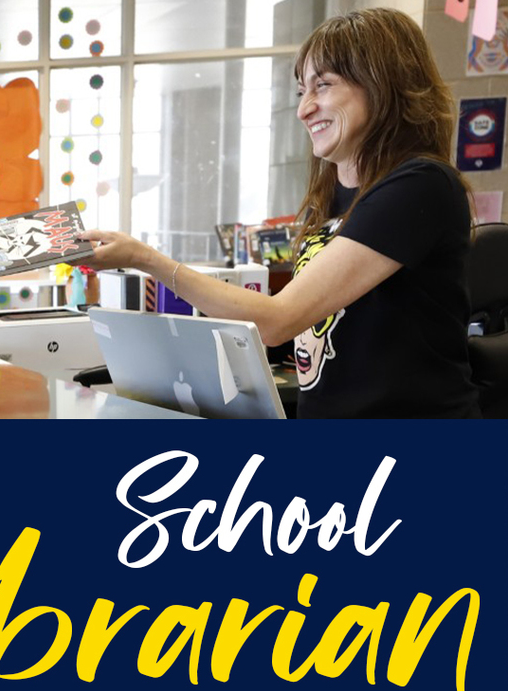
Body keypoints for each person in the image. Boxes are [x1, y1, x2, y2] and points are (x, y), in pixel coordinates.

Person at [81, 8, 481, 419]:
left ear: (384, 85)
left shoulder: (420, 185)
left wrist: (144, 258)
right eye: (300, 92)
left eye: (322, 86)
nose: (304, 110)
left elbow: (279, 319)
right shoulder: (334, 196)